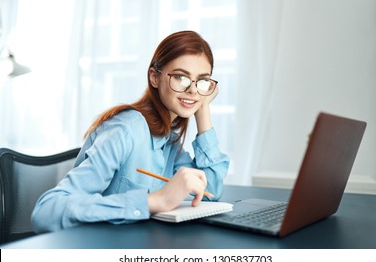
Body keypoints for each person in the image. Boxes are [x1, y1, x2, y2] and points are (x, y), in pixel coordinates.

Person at [31, 31, 230, 233]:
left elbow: (211, 190)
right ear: (154, 77)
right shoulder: (126, 129)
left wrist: (203, 109)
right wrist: (156, 200)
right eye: (181, 77)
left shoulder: (168, 140)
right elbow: (46, 212)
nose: (193, 90)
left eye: (202, 80)